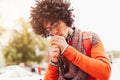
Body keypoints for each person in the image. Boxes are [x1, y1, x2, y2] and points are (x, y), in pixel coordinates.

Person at [30, 0, 111, 80]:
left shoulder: (90, 38)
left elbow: (105, 73)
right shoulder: (54, 49)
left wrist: (67, 50)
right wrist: (54, 62)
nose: (54, 31)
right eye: (49, 29)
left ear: (65, 18)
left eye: (56, 25)